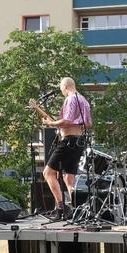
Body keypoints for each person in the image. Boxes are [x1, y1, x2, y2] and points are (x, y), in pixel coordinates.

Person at [29, 77, 91, 220]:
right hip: (80, 141)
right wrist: (39, 109)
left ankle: (61, 208)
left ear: (65, 86)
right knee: (68, 178)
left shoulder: (70, 99)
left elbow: (66, 121)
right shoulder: (84, 100)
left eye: (61, 89)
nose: (62, 91)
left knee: (48, 173)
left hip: (68, 141)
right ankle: (76, 209)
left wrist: (52, 124)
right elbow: (88, 123)